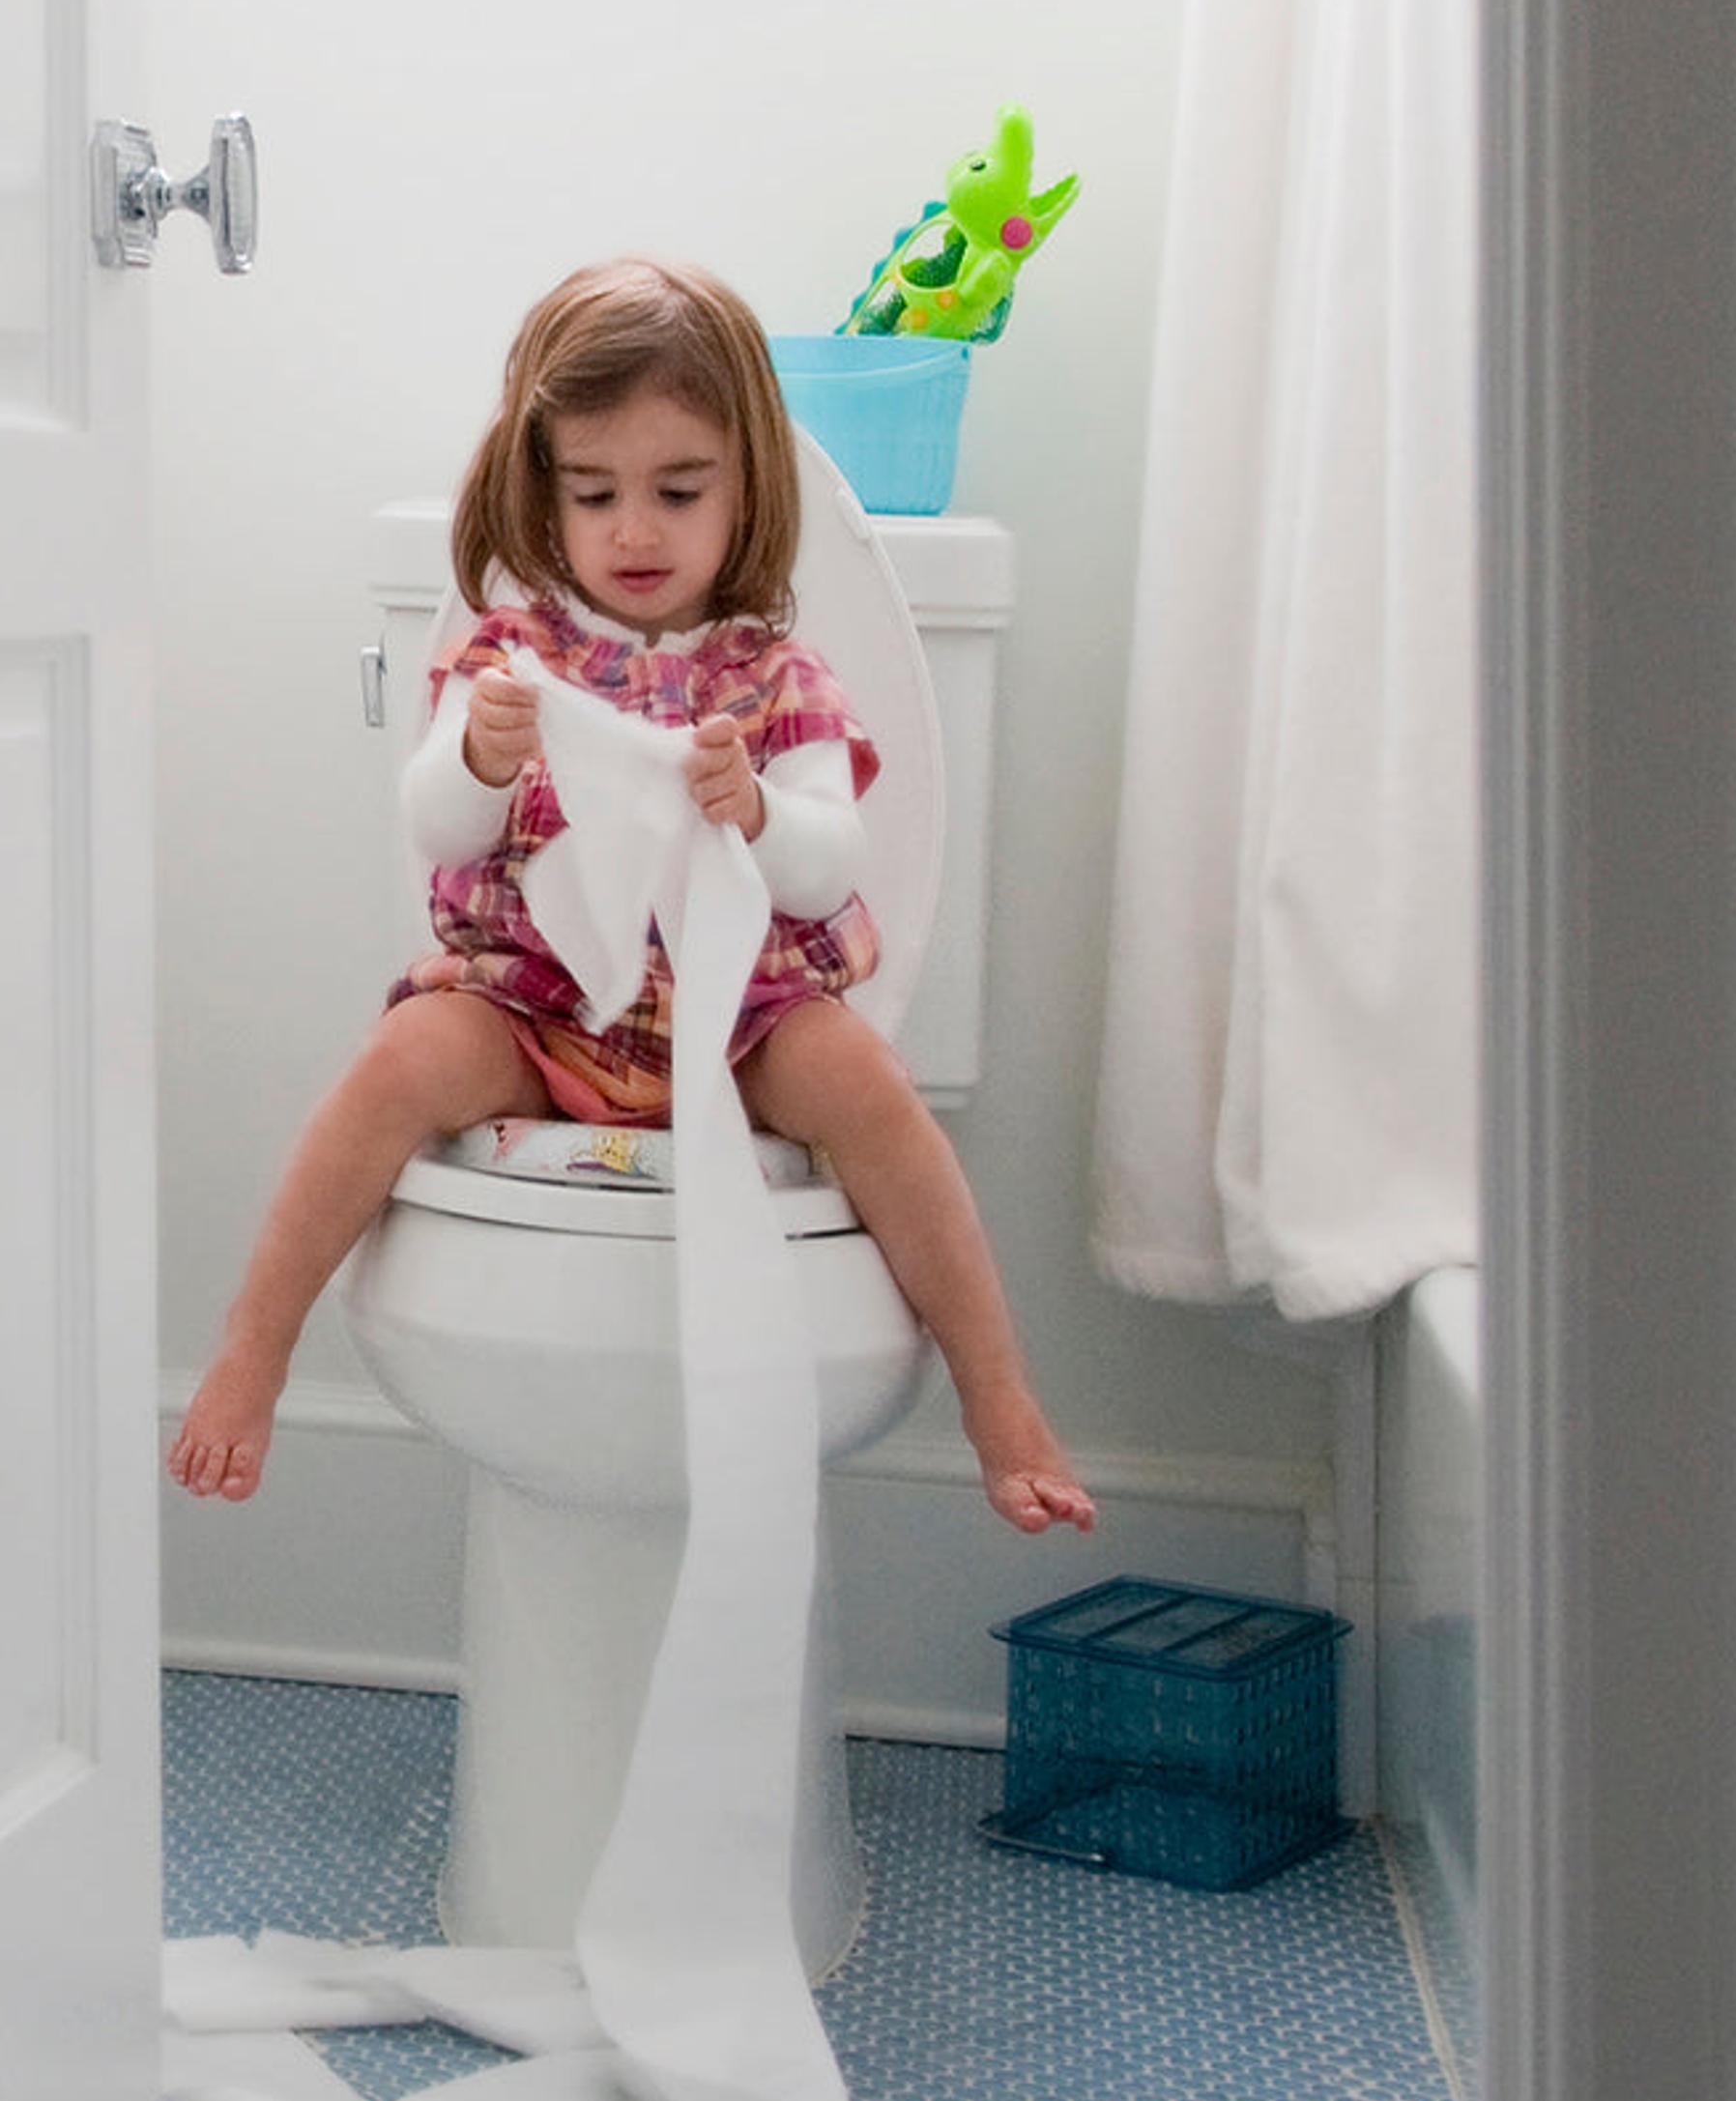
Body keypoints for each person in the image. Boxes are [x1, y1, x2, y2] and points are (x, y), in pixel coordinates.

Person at [168, 257, 1096, 1536]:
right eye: (594, 493)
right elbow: (435, 828)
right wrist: (483, 760)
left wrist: (759, 810)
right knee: (396, 1066)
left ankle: (1002, 1403)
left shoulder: (778, 680)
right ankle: (254, 1351)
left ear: (748, 490)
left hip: (739, 1019)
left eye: (679, 489)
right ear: (539, 494)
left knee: (874, 1098)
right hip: (536, 1010)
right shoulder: (511, 660)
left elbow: (829, 865)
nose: (635, 530)